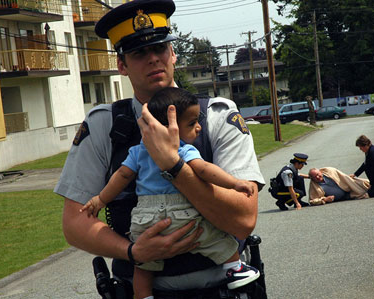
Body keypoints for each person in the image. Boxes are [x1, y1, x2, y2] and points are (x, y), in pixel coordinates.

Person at [54, 0, 265, 296]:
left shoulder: (217, 115)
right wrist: (133, 251)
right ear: (122, 66)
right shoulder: (103, 126)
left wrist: (174, 167)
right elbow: (75, 223)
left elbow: (243, 220)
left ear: (173, 54)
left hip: (221, 288)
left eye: (160, 48)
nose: (153, 59)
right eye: (139, 53)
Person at [80, 87, 259, 298]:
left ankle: (143, 295)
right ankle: (235, 269)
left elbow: (122, 176)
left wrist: (100, 199)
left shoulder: (138, 151)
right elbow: (205, 170)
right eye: (192, 123)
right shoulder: (183, 149)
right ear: (169, 127)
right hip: (182, 213)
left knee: (143, 263)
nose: (199, 128)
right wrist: (234, 184)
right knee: (218, 239)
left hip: (146, 217)